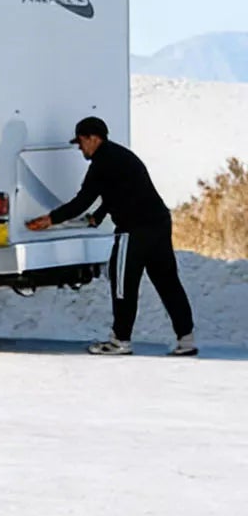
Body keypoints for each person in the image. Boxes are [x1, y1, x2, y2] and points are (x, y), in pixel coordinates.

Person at [26, 117, 197, 356]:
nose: (80, 148)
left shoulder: (101, 163)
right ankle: (186, 339)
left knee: (123, 284)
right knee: (168, 282)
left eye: (81, 142)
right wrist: (98, 216)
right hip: (158, 224)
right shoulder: (122, 156)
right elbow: (117, 191)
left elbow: (82, 200)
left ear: (93, 138)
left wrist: (51, 219)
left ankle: (120, 341)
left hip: (134, 229)